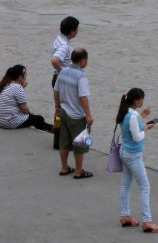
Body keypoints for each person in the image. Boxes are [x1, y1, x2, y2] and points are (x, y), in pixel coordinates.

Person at [116, 88, 158, 233]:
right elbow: (137, 137)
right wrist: (146, 128)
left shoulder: (126, 113)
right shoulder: (133, 116)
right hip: (133, 155)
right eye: (141, 99)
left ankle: (125, 215)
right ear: (136, 100)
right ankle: (146, 221)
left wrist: (142, 116)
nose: (143, 101)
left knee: (126, 184)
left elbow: (130, 127)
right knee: (145, 187)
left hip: (124, 151)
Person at [53, 47, 93, 179]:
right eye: (86, 59)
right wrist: (88, 115)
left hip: (63, 111)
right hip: (76, 115)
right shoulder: (81, 76)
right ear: (82, 61)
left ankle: (64, 168)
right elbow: (83, 97)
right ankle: (78, 171)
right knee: (79, 144)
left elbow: (56, 90)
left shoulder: (63, 71)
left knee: (63, 142)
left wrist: (57, 107)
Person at [50, 16, 79, 149]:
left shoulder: (58, 38)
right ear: (72, 31)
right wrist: (64, 72)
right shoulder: (65, 46)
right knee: (67, 110)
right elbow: (55, 60)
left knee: (59, 110)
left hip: (57, 79)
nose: (78, 31)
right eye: (77, 29)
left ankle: (58, 141)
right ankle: (63, 142)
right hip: (62, 80)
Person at [0, 65, 53, 131]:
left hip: (1, 121)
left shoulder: (6, 84)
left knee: (32, 117)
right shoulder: (18, 87)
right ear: (20, 77)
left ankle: (50, 128)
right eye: (25, 75)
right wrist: (30, 114)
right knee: (39, 118)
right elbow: (24, 109)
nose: (26, 77)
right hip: (10, 123)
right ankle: (52, 130)